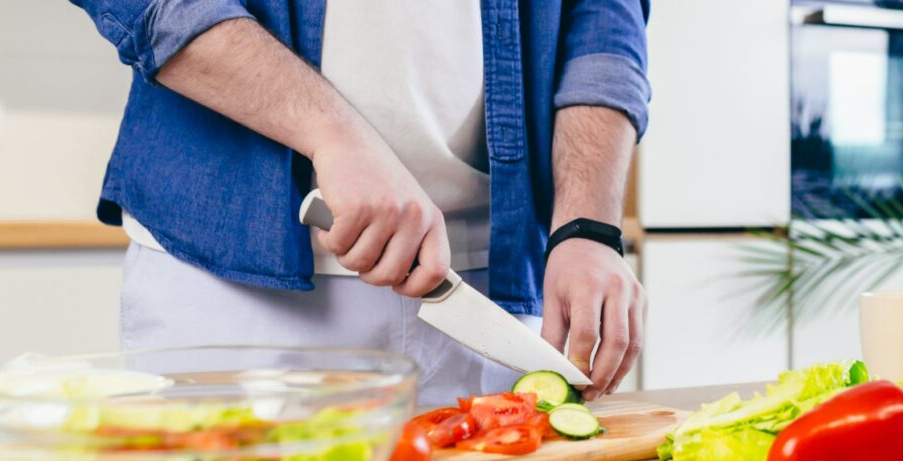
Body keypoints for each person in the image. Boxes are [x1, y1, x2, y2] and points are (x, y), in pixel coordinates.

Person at [71, 1, 651, 405]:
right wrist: (332, 133)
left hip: (495, 294)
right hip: (232, 287)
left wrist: (588, 225)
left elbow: (605, 18)